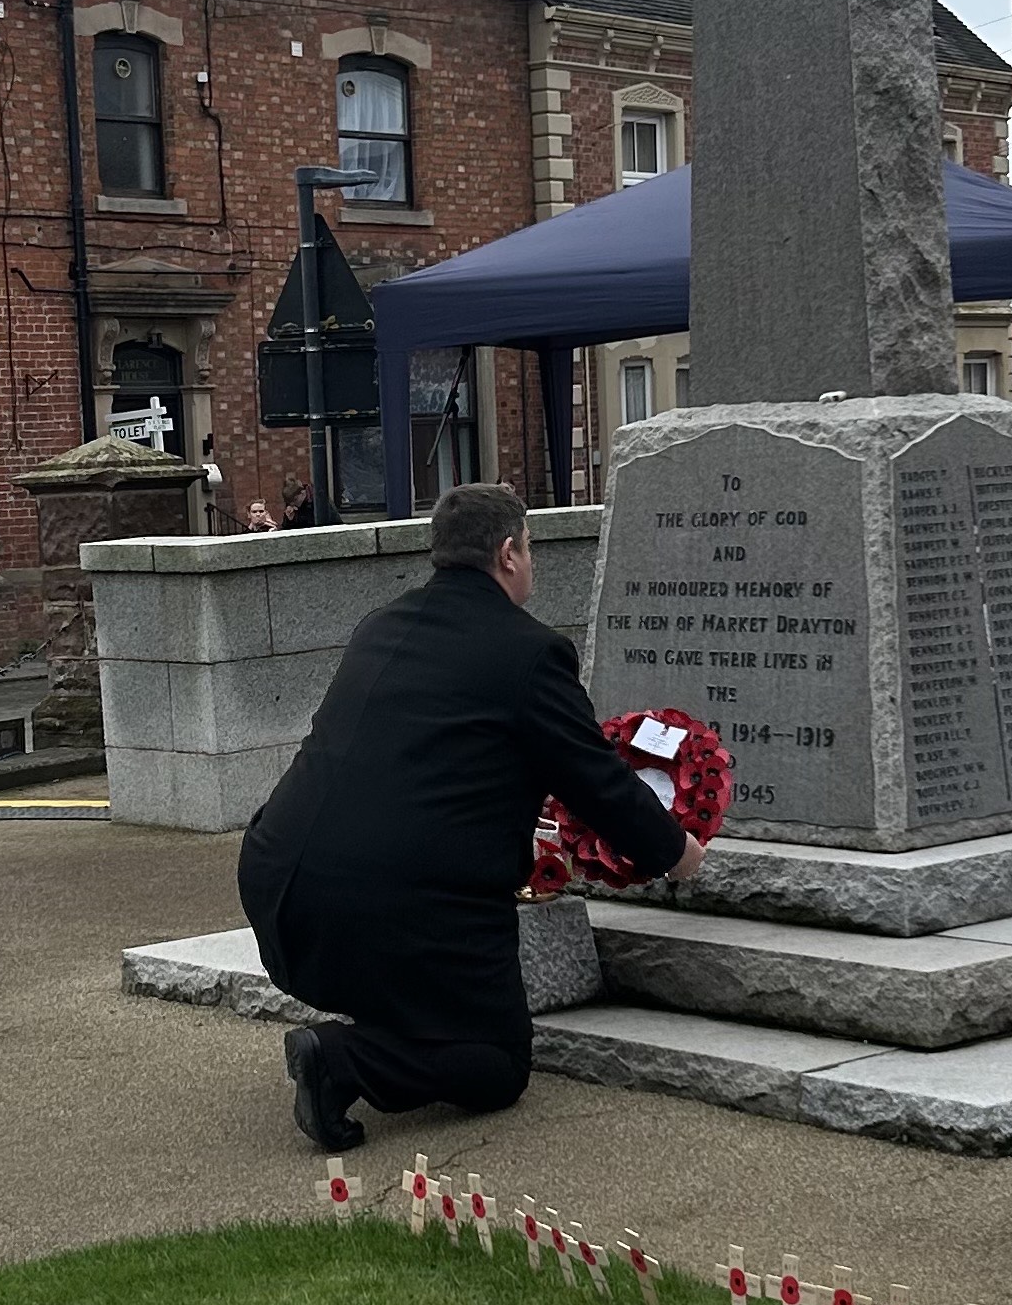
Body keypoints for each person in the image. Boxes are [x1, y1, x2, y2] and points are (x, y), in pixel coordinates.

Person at [237, 481, 701, 1150]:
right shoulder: (529, 651)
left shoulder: (382, 624)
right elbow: (595, 780)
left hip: (280, 884)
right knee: (496, 1063)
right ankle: (342, 1061)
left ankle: (368, 1036)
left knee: (429, 1001)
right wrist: (675, 852)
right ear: (509, 553)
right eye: (531, 549)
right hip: (395, 908)